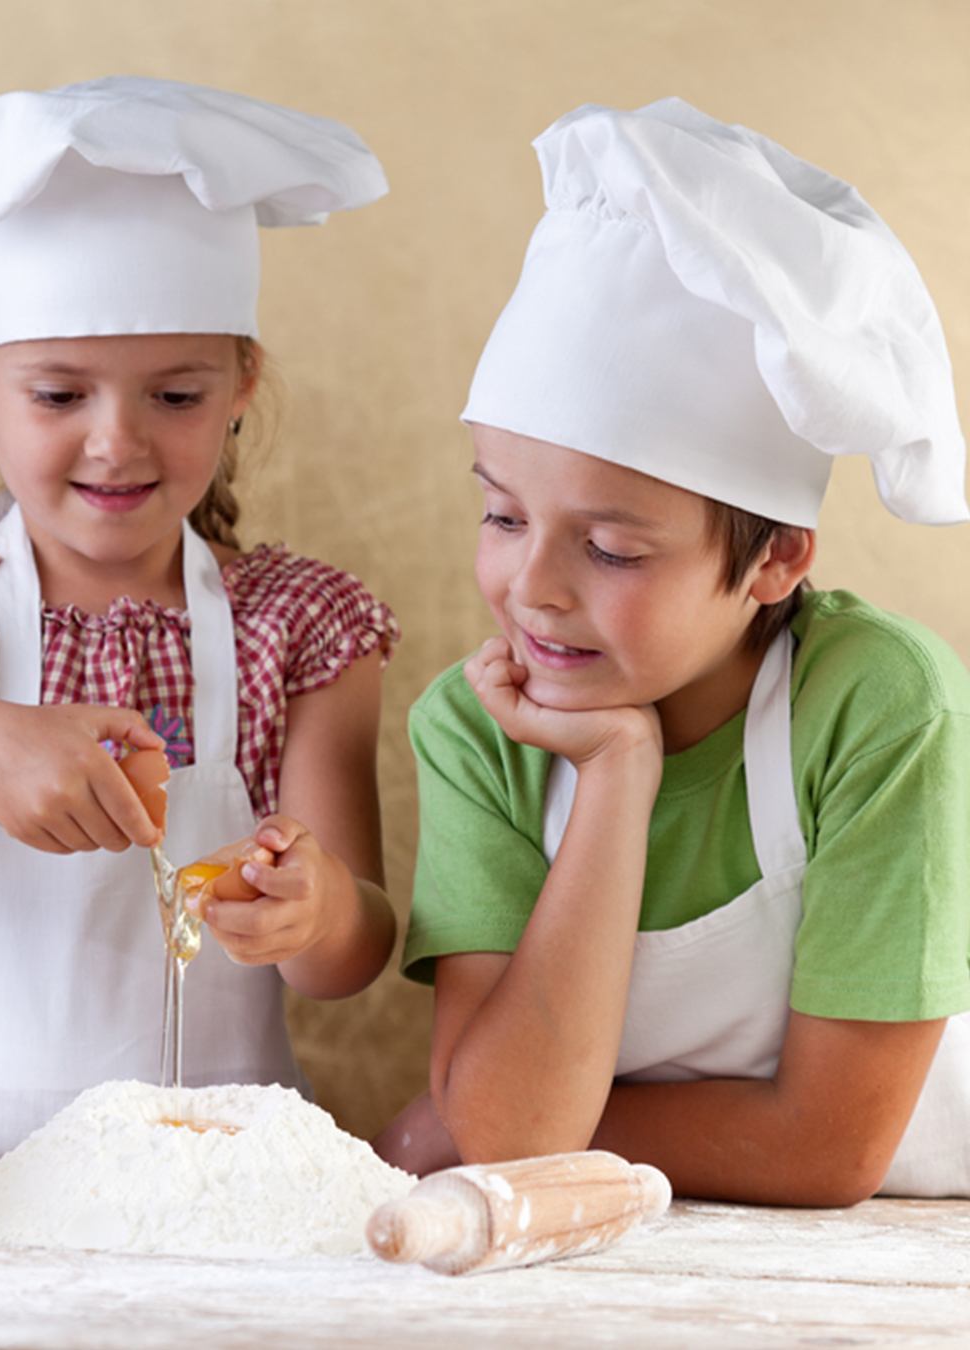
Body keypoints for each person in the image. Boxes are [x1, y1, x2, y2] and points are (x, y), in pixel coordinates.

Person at [0, 77, 398, 1162]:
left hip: (204, 1186)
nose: (117, 444)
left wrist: (317, 911)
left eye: (175, 396)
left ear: (241, 382)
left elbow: (344, 958)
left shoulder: (300, 628)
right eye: (60, 395)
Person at [378, 98, 970, 1205]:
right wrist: (613, 771)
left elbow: (830, 1152)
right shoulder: (478, 726)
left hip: (903, 1253)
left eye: (609, 548)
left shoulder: (883, 708)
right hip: (614, 1235)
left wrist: (488, 1122)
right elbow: (508, 1133)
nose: (533, 591)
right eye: (503, 517)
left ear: (773, 564)